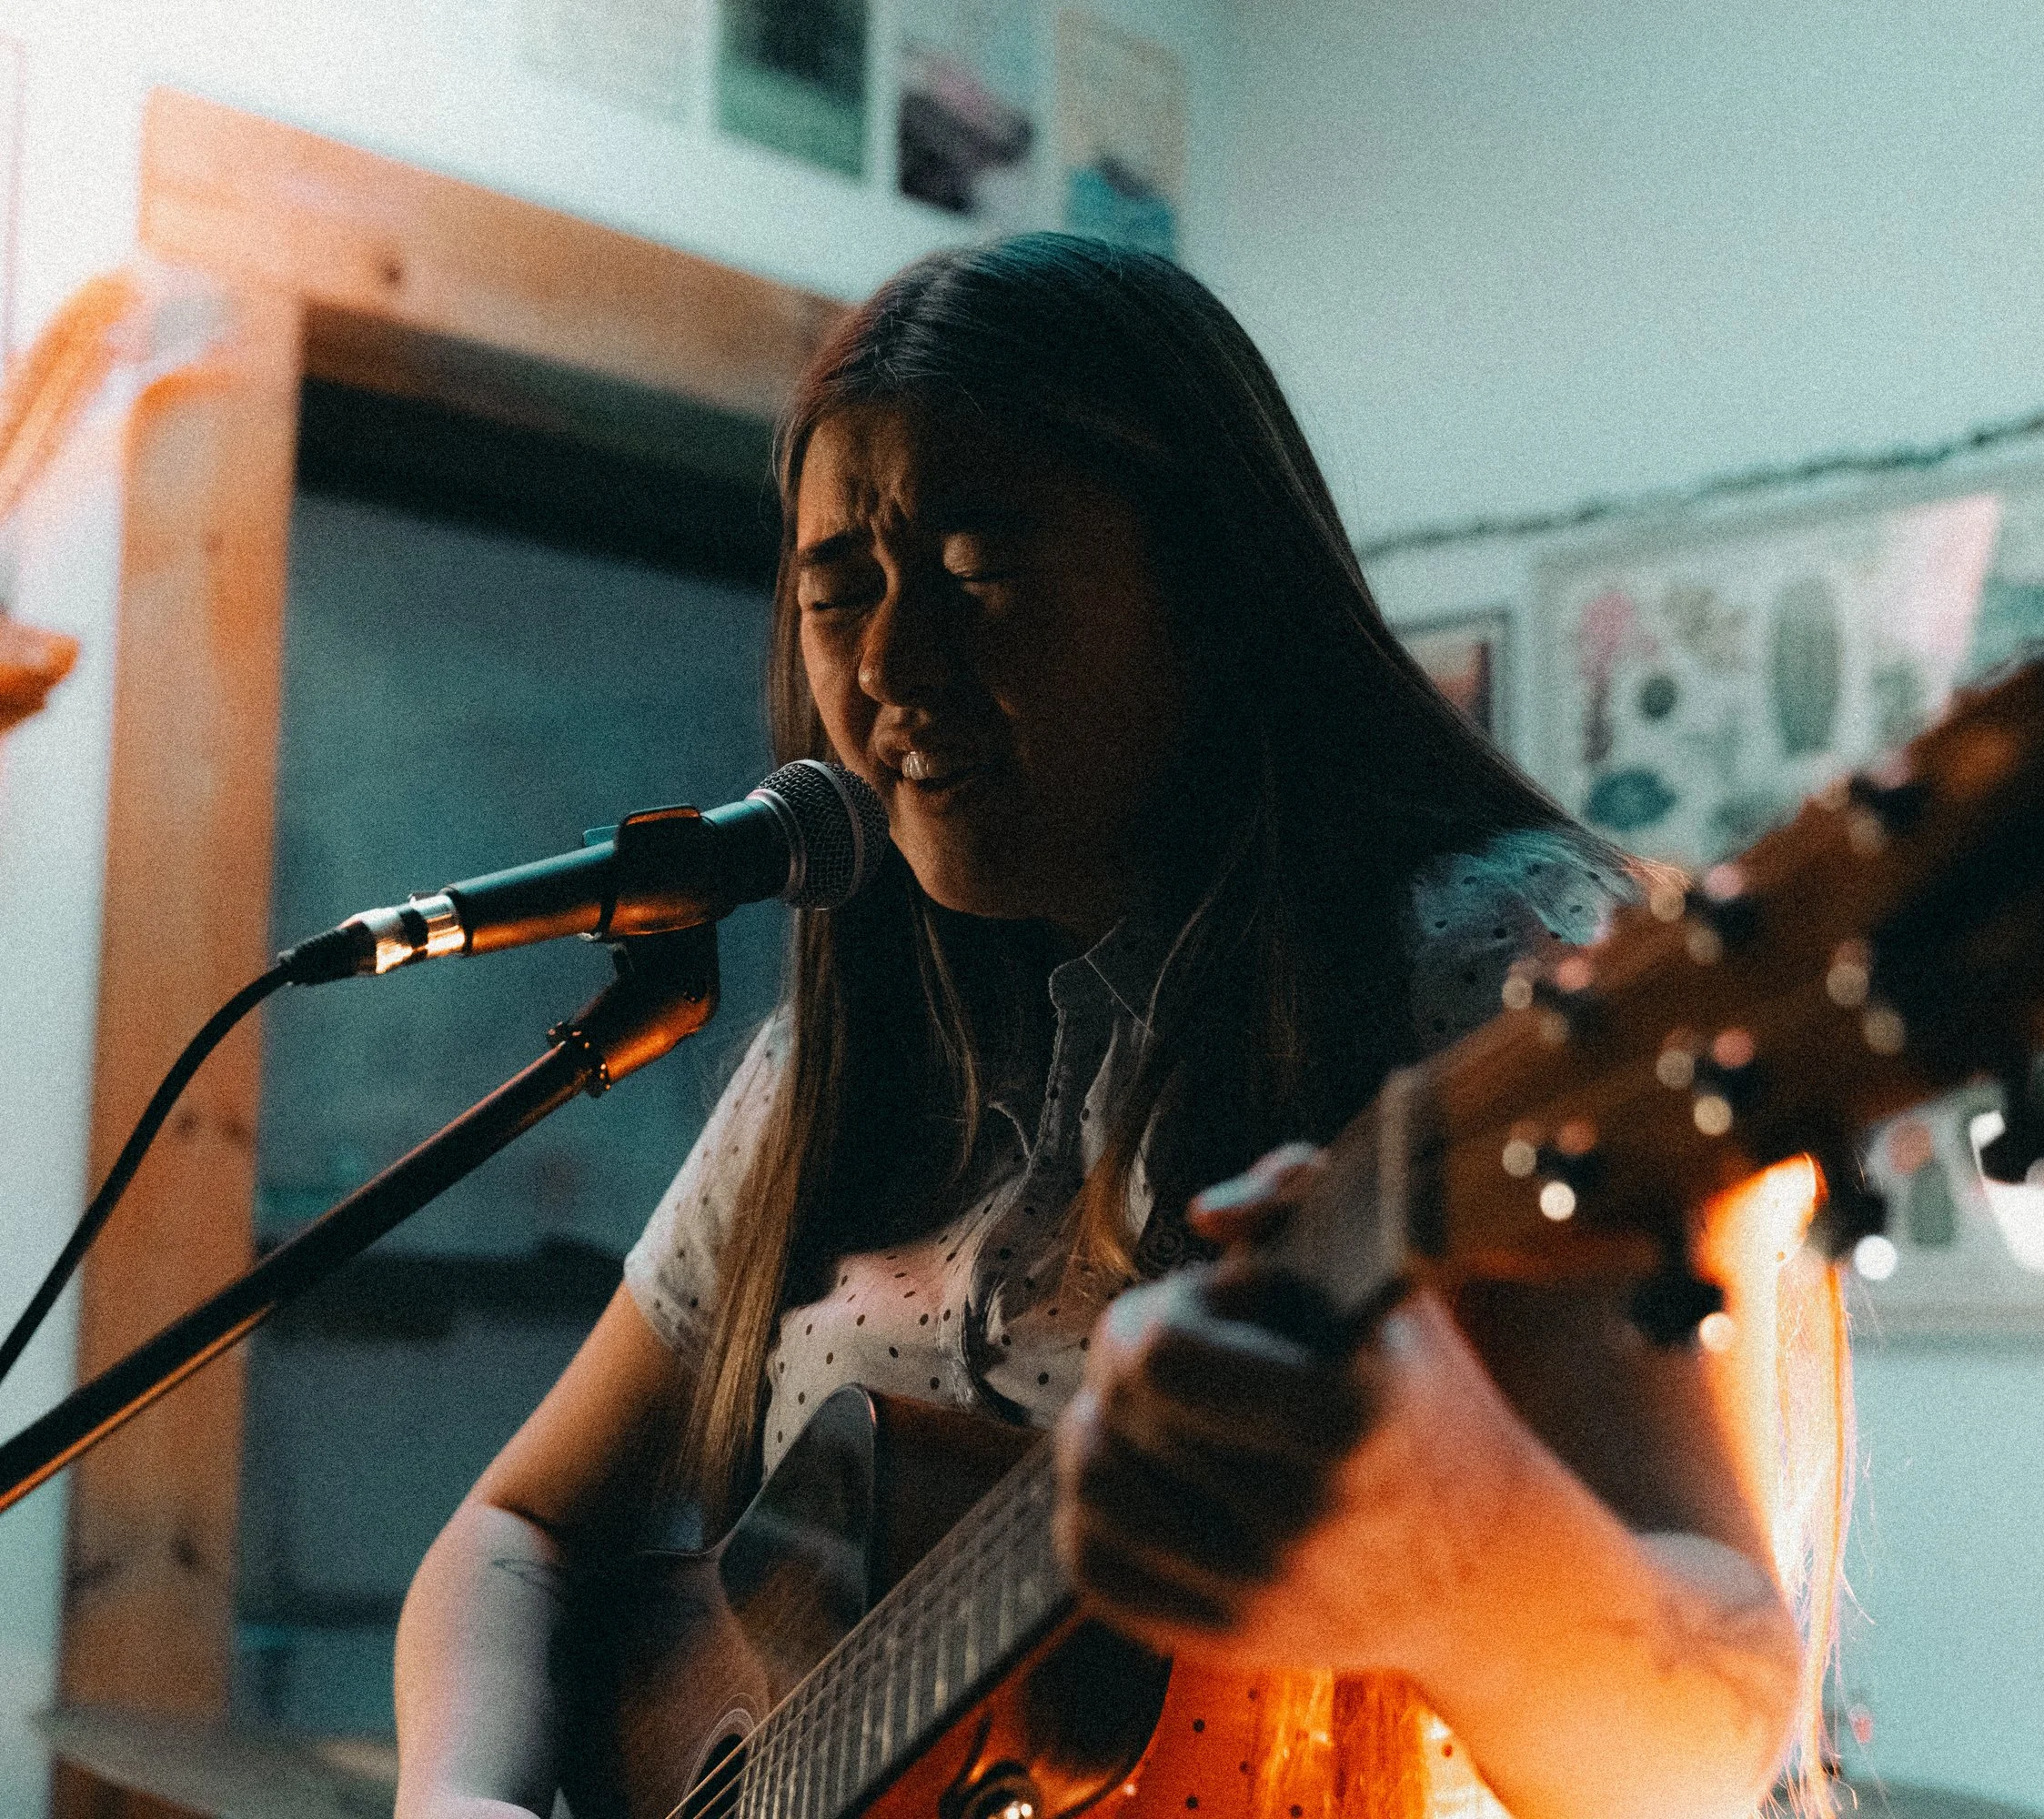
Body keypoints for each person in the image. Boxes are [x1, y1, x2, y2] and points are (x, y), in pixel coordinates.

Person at [394, 234, 1844, 1819]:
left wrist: (1462, 1551)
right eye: (840, 591)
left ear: (1215, 586)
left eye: (978, 572)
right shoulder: (841, 1061)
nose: (888, 662)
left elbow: (1714, 1735)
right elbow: (522, 1535)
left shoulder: (1502, 973)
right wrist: (461, 1795)